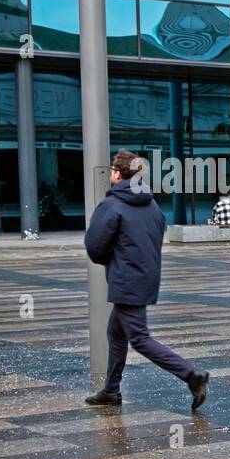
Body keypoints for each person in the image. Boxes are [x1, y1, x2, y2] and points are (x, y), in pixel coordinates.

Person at [84, 151, 209, 410]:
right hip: (145, 277)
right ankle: (111, 390)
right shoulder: (152, 205)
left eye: (111, 171)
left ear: (118, 174)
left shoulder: (112, 204)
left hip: (126, 280)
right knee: (115, 332)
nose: (109, 175)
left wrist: (113, 260)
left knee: (139, 338)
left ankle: (191, 375)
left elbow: (95, 246)